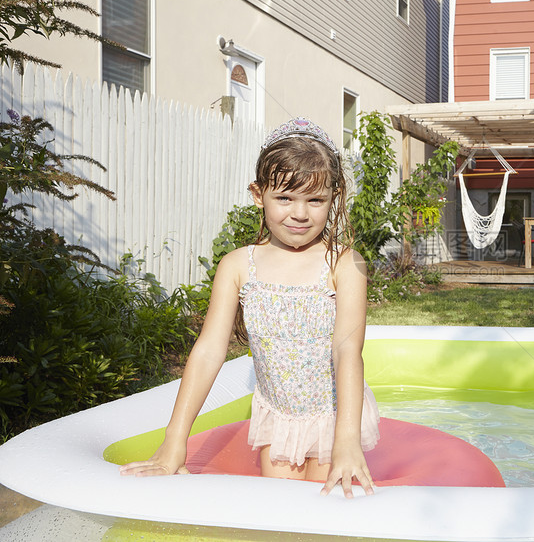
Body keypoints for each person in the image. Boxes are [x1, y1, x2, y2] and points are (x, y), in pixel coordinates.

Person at [120, 117, 380, 498]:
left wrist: (347, 438)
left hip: (333, 415)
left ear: (334, 197)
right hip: (278, 418)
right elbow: (209, 351)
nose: (300, 213)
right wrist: (175, 442)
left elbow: (347, 351)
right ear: (259, 195)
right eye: (285, 198)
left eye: (315, 200)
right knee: (278, 518)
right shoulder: (238, 266)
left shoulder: (345, 264)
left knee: (328, 518)